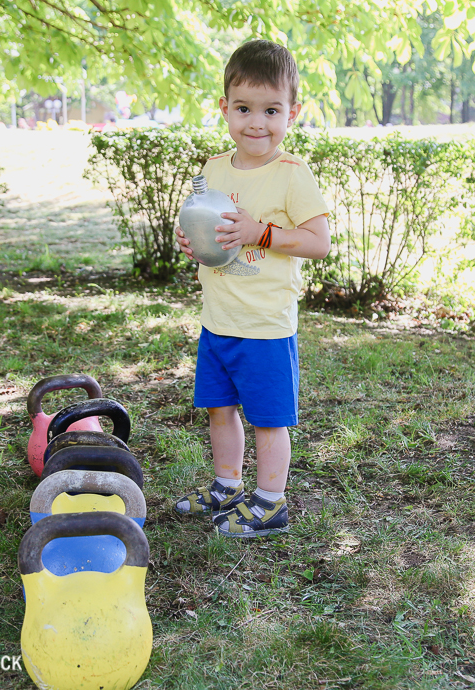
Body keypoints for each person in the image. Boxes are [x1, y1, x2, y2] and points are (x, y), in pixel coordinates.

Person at [172, 39, 332, 538]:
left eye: (271, 110)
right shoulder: (213, 170)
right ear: (225, 109)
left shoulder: (291, 175)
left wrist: (259, 232)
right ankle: (227, 486)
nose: (256, 122)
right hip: (218, 319)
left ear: (292, 112)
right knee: (220, 409)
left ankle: (270, 503)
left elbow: (318, 242)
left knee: (267, 418)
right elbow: (204, 226)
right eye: (243, 109)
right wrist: (191, 239)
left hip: (264, 324)